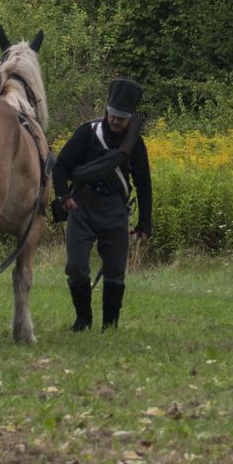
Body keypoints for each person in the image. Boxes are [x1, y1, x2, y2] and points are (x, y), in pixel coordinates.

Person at [52, 77, 152, 332]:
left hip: (115, 209)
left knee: (116, 270)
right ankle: (83, 320)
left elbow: (143, 183)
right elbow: (61, 166)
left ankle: (110, 325)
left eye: (121, 117)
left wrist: (145, 222)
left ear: (130, 117)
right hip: (82, 206)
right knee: (75, 267)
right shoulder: (88, 132)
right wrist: (64, 197)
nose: (115, 120)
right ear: (106, 109)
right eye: (112, 114)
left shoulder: (135, 145)